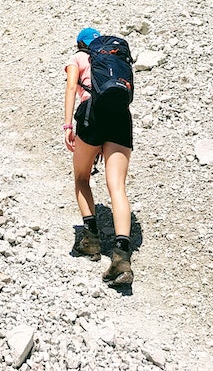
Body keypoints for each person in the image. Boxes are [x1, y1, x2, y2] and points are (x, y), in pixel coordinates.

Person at [64, 27, 134, 287]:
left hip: (91, 113)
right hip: (120, 114)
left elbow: (72, 87)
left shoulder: (78, 58)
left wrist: (68, 126)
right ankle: (121, 256)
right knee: (117, 187)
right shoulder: (116, 59)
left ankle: (91, 240)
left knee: (82, 178)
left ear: (80, 43)